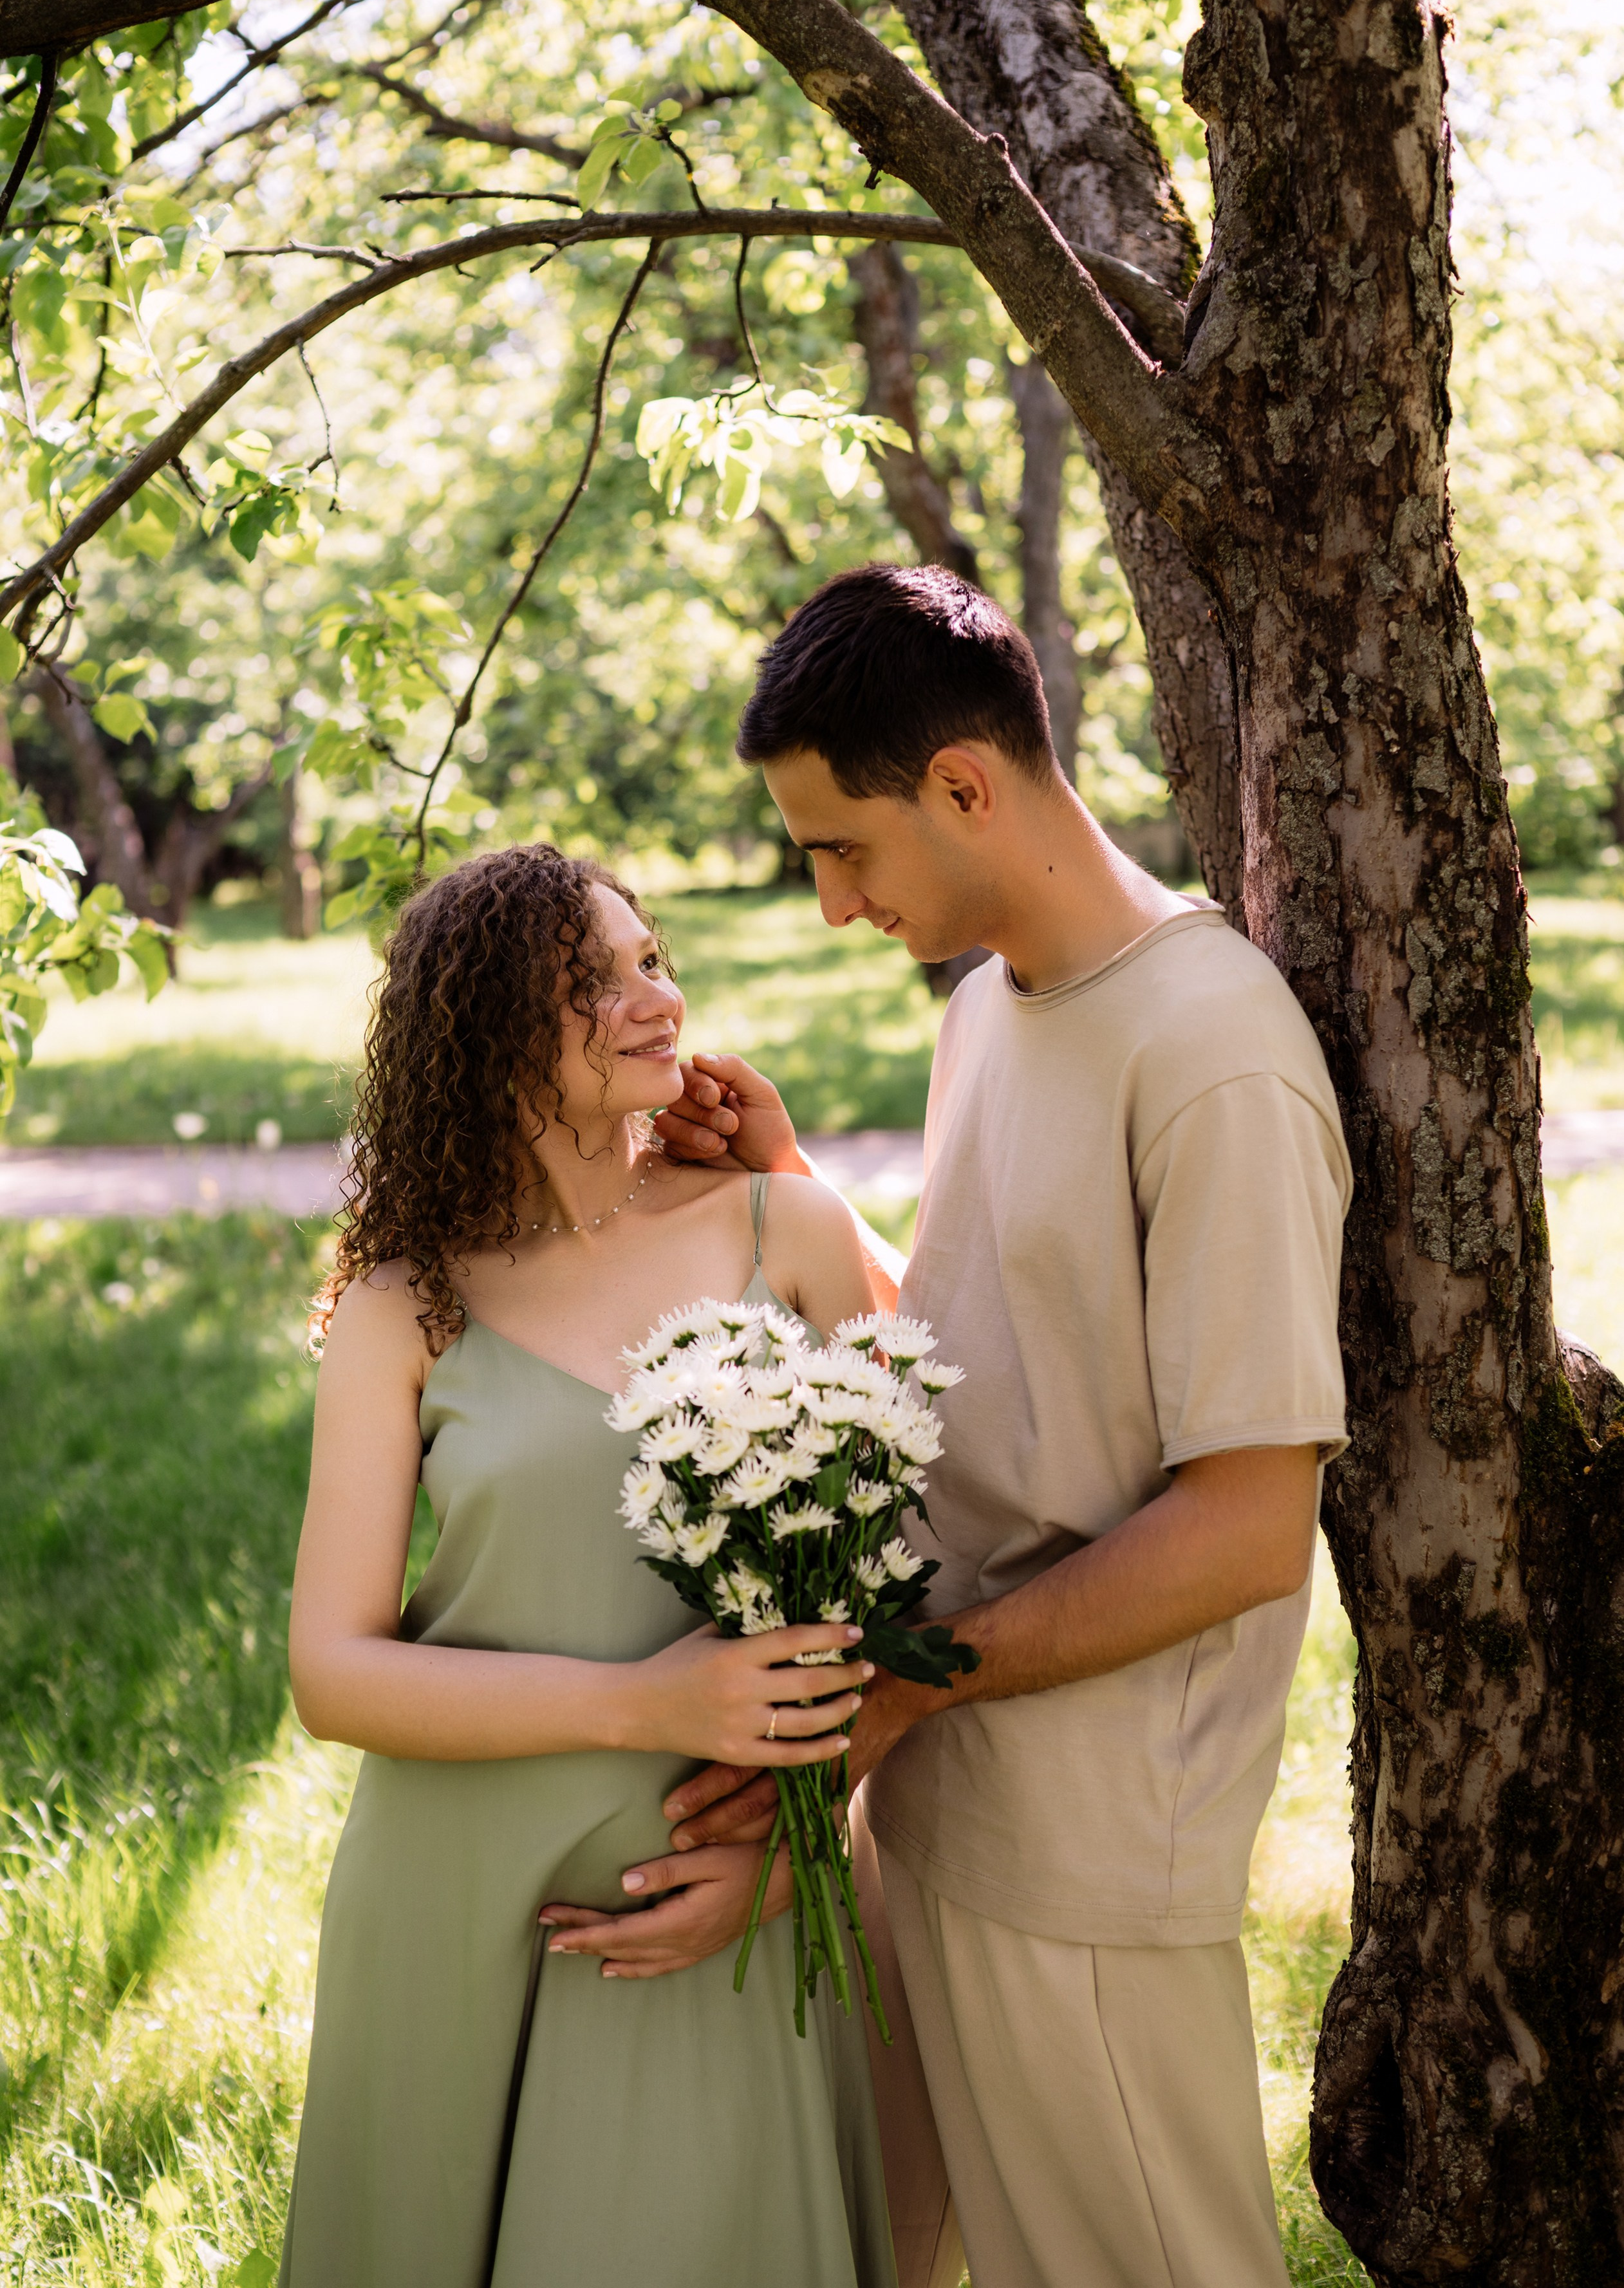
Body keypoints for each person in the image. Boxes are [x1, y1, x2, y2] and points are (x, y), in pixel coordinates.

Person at [647, 565, 1354, 2288]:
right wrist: (794, 1189)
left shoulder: (1212, 1054)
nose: (826, 904)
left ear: (965, 786)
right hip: (936, 1786)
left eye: (842, 850)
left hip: (1089, 1853)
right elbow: (987, 1360)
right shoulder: (989, 1007)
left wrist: (909, 1679)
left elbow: (1245, 1526)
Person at [280, 843, 898, 2288]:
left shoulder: (781, 1227)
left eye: (651, 958)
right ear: (486, 1029)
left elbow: (941, 1493)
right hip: (456, 1883)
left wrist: (788, 1825)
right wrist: (649, 1704)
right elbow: (333, 1668)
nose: (652, 998)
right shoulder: (402, 1303)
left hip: (712, 1866)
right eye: (591, 981)